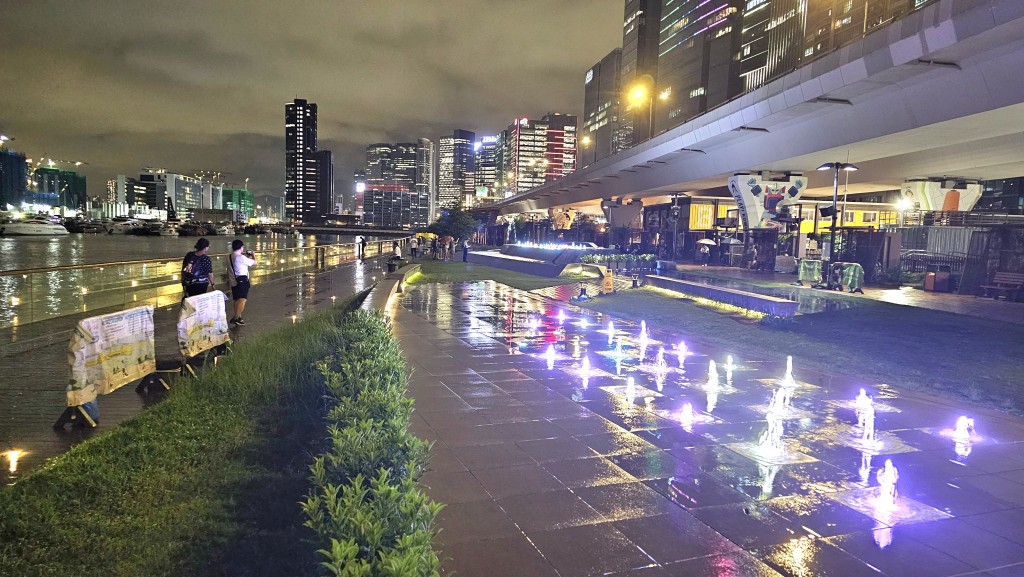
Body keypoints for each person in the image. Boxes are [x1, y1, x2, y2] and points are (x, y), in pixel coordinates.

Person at [227, 239, 257, 325]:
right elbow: (255, 263)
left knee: (237, 299)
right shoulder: (240, 257)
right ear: (241, 247)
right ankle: (236, 318)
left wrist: (248, 257)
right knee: (242, 299)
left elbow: (241, 263)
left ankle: (239, 317)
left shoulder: (229, 257)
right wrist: (253, 255)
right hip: (242, 280)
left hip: (233, 281)